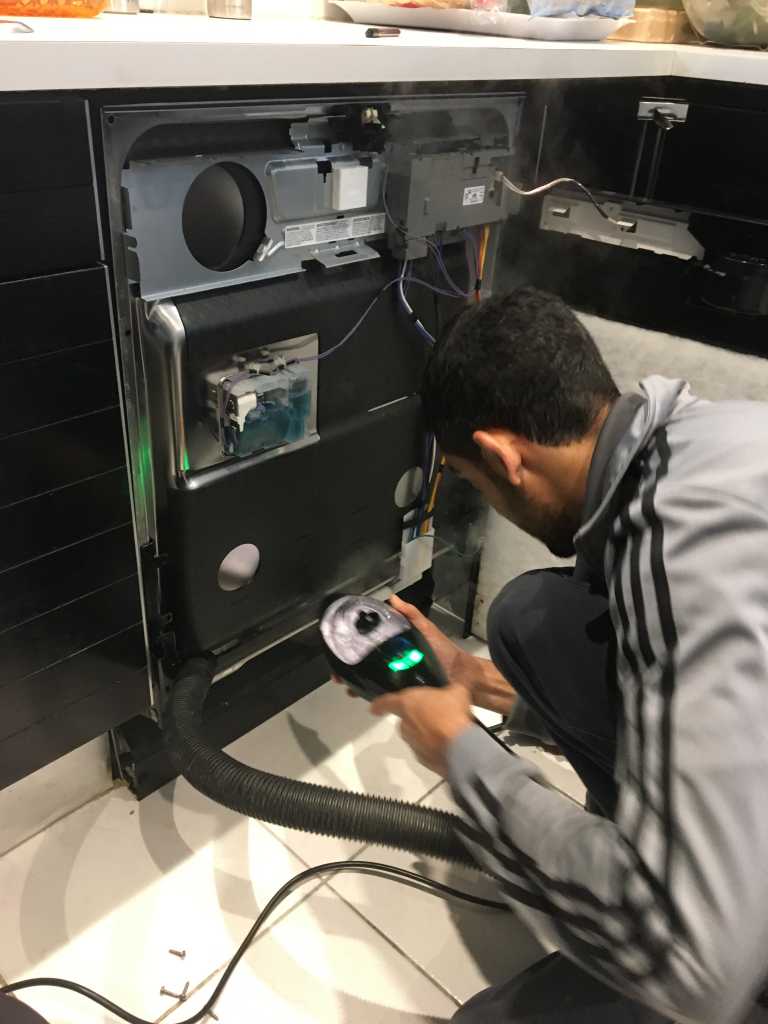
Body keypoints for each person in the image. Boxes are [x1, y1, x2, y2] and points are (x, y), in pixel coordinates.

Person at [367, 288, 768, 1023]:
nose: (486, 496)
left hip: (723, 957)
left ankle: (655, 886)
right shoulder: (713, 442)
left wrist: (458, 750)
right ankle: (650, 855)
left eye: (474, 482)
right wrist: (469, 680)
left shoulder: (676, 552)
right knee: (531, 616)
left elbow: (698, 969)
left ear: (501, 455)